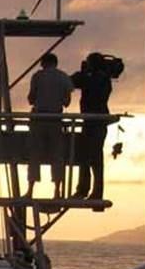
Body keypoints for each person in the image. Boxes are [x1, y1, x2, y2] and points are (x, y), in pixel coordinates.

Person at [25, 52, 73, 199]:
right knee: (57, 156)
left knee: (34, 155)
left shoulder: (38, 76)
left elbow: (31, 99)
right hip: (55, 119)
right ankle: (57, 191)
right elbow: (67, 102)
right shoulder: (64, 77)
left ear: (43, 63)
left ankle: (30, 191)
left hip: (39, 118)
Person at [72, 52, 115, 200]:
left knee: (91, 158)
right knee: (92, 157)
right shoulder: (104, 78)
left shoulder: (94, 79)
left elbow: (74, 81)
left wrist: (83, 72)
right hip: (96, 122)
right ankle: (90, 191)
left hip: (93, 122)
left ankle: (86, 190)